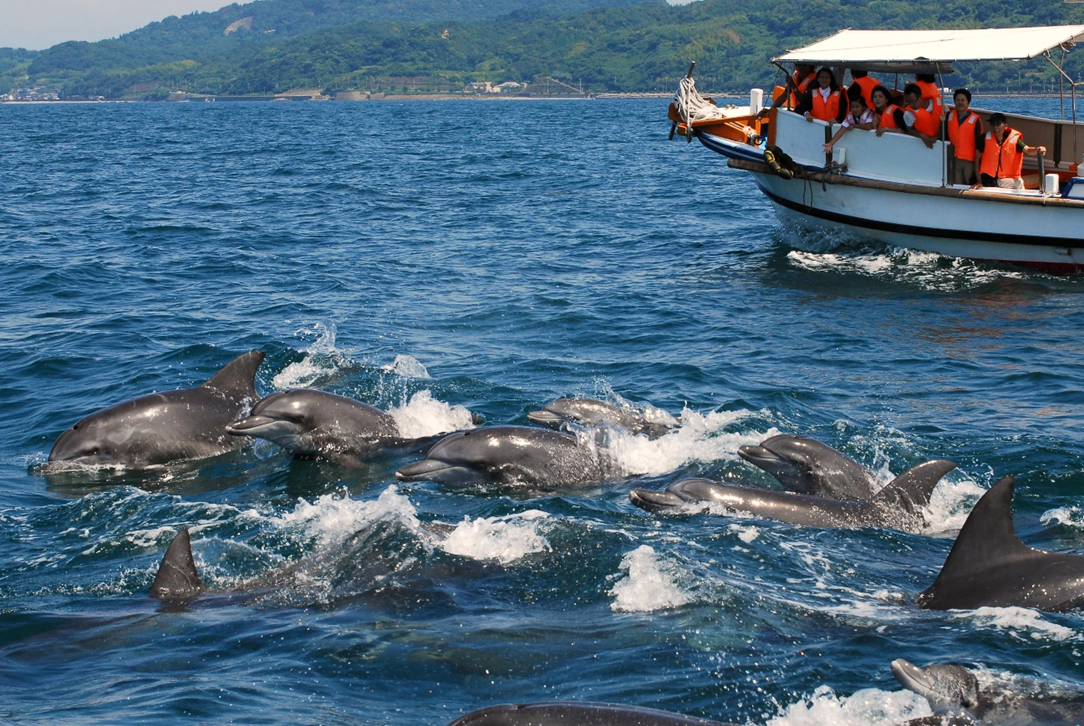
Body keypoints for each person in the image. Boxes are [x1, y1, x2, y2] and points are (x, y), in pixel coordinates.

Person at [975, 112, 1047, 189]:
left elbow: (1028, 150)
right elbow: (976, 159)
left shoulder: (1014, 140)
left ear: (1005, 126)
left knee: (1019, 182)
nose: (995, 127)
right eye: (993, 124)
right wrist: (979, 181)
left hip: (1008, 179)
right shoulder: (984, 139)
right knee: (1018, 185)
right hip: (989, 180)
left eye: (998, 124)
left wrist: (1038, 149)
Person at [943, 88, 984, 186]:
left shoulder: (975, 119)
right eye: (957, 100)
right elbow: (943, 135)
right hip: (954, 159)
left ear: (968, 102)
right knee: (956, 185)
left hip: (969, 161)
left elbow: (980, 142)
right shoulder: (949, 116)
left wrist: (977, 161)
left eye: (963, 100)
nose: (960, 102)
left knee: (969, 185)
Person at [901, 83, 938, 148]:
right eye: (908, 102)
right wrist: (921, 136)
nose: (911, 105)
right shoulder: (908, 114)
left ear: (920, 97)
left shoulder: (935, 102)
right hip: (926, 144)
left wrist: (938, 136)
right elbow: (909, 130)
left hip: (941, 140)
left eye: (913, 102)